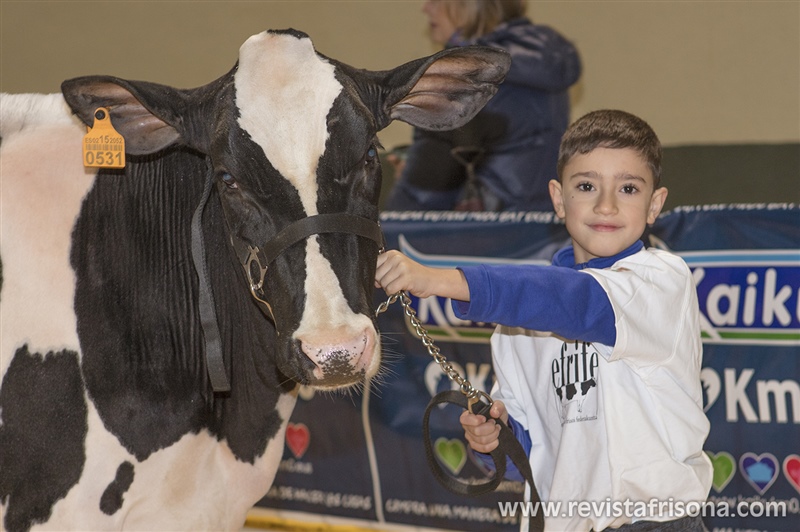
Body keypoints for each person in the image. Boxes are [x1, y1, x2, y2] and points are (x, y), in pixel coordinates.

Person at [376, 110, 713, 531]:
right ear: (558, 198)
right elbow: (527, 456)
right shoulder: (515, 327)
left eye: (628, 188)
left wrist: (438, 279)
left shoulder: (661, 280)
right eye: (586, 186)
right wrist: (493, 441)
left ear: (654, 205)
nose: (606, 204)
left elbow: (576, 302)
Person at [386, 0, 581, 212]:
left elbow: (420, 197)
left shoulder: (462, 76)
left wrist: (413, 176)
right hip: (543, 229)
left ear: (468, 5)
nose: (425, 8)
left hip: (483, 233)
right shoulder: (541, 61)